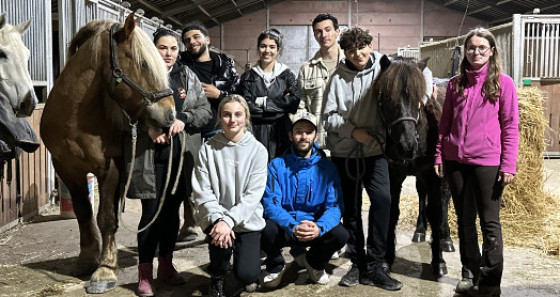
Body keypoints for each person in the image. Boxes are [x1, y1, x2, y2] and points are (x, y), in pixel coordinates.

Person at [434, 27, 519, 297]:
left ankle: (491, 278)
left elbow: (510, 125)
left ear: (491, 51)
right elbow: (444, 124)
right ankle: (469, 272)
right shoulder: (455, 83)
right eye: (471, 47)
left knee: (489, 220)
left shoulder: (503, 83)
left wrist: (508, 164)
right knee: (464, 218)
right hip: (455, 160)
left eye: (482, 48)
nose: (476, 52)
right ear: (465, 51)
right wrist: (439, 154)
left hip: (487, 161)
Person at [129, 28, 211, 297]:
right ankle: (144, 275)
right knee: (150, 216)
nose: (168, 53)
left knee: (171, 217)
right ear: (153, 49)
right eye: (163, 47)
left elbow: (204, 111)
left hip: (180, 159)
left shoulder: (187, 76)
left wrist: (183, 120)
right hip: (152, 160)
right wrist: (148, 128)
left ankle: (166, 264)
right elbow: (127, 112)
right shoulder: (142, 76)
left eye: (173, 48)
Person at [322, 27, 403, 291]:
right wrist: (351, 131)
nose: (357, 54)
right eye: (350, 50)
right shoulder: (337, 79)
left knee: (383, 200)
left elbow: (413, 79)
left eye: (361, 47)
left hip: (375, 152)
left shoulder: (384, 70)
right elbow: (328, 117)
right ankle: (357, 263)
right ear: (344, 52)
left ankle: (377, 262)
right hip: (345, 153)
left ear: (370, 45)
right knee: (352, 210)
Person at [260, 112, 349, 288]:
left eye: (308, 132)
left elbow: (335, 206)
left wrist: (319, 226)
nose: (303, 136)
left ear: (315, 136)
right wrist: (293, 225)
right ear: (291, 135)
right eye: (299, 131)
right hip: (287, 227)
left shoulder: (327, 168)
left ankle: (314, 263)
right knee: (265, 228)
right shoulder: (277, 165)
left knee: (340, 234)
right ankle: (276, 265)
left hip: (313, 227)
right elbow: (271, 204)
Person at [192, 94, 268, 297]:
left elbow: (253, 195)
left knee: (248, 274)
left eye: (238, 114)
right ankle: (217, 275)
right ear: (219, 118)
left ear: (246, 118)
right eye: (226, 115)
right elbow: (202, 189)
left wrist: (229, 220)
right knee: (220, 245)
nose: (232, 120)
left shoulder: (258, 151)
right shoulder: (207, 149)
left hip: (244, 219)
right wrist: (219, 219)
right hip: (216, 219)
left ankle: (243, 269)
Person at [179, 22, 240, 242]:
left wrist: (219, 93)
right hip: (192, 129)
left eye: (196, 37)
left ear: (207, 39)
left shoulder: (224, 62)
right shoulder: (181, 63)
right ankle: (191, 223)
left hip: (218, 129)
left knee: (220, 179)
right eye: (187, 40)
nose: (192, 42)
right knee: (191, 177)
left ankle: (220, 222)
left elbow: (238, 93)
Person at [237, 28, 300, 161]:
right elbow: (245, 106)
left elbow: (294, 102)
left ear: (278, 49)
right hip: (254, 132)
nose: (267, 51)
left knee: (280, 170)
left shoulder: (287, 75)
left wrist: (262, 102)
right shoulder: (248, 76)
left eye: (272, 47)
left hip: (281, 134)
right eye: (263, 46)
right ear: (258, 48)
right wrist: (280, 106)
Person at [298, 13, 344, 148]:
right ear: (314, 36)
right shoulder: (306, 69)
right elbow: (302, 107)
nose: (324, 35)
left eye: (328, 30)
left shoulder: (350, 65)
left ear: (337, 32)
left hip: (349, 143)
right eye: (318, 32)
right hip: (319, 144)